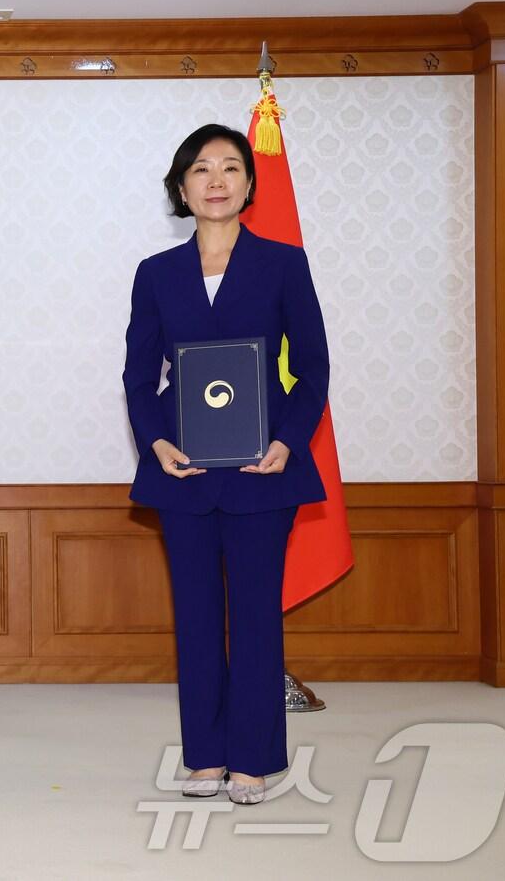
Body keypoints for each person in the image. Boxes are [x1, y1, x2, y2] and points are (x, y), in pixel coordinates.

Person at [122, 124, 330, 805]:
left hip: (260, 471)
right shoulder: (156, 274)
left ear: (248, 184)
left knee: (255, 616)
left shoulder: (282, 263)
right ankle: (205, 757)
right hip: (183, 473)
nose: (216, 179)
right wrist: (154, 441)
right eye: (202, 169)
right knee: (197, 617)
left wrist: (288, 441)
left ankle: (254, 758)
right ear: (181, 188)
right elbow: (137, 374)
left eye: (231, 167)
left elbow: (313, 365)